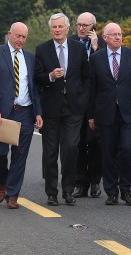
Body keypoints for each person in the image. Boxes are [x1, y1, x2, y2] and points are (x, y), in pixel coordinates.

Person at [88, 23, 131, 206]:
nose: (117, 37)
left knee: (127, 150)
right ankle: (111, 191)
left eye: (120, 34)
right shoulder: (96, 58)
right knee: (108, 152)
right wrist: (91, 115)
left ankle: (126, 189)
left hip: (129, 112)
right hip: (105, 113)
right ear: (105, 37)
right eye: (113, 35)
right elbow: (92, 88)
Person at [0, 22, 43, 209]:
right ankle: (2, 181)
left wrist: (38, 113)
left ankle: (12, 194)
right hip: (2, 113)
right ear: (9, 34)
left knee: (20, 156)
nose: (21, 40)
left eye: (24, 37)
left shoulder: (30, 57)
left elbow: (34, 87)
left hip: (25, 111)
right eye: (18, 36)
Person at [35, 13, 90, 206]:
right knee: (50, 151)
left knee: (70, 148)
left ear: (67, 28)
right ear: (50, 29)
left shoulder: (78, 48)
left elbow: (86, 76)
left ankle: (68, 190)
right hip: (51, 107)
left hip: (74, 107)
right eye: (54, 27)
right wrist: (50, 76)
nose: (57, 30)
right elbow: (37, 77)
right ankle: (51, 192)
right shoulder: (42, 49)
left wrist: (82, 98)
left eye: (60, 27)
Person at [70, 12, 106, 199]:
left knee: (94, 143)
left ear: (94, 26)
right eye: (79, 24)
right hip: (76, 100)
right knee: (77, 143)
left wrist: (95, 48)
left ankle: (95, 181)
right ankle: (80, 182)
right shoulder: (71, 42)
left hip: (96, 100)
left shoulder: (103, 43)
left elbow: (103, 68)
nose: (82, 28)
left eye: (85, 25)